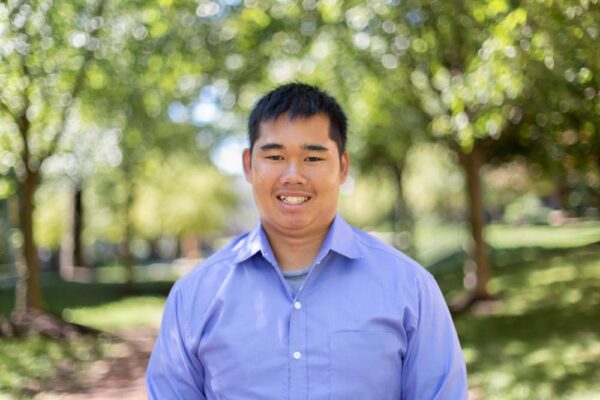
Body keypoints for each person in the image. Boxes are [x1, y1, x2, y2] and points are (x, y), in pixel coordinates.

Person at [146, 83, 468, 399]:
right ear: (248, 165)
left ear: (342, 167)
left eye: (312, 159)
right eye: (274, 157)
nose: (293, 175)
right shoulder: (194, 297)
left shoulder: (411, 288)